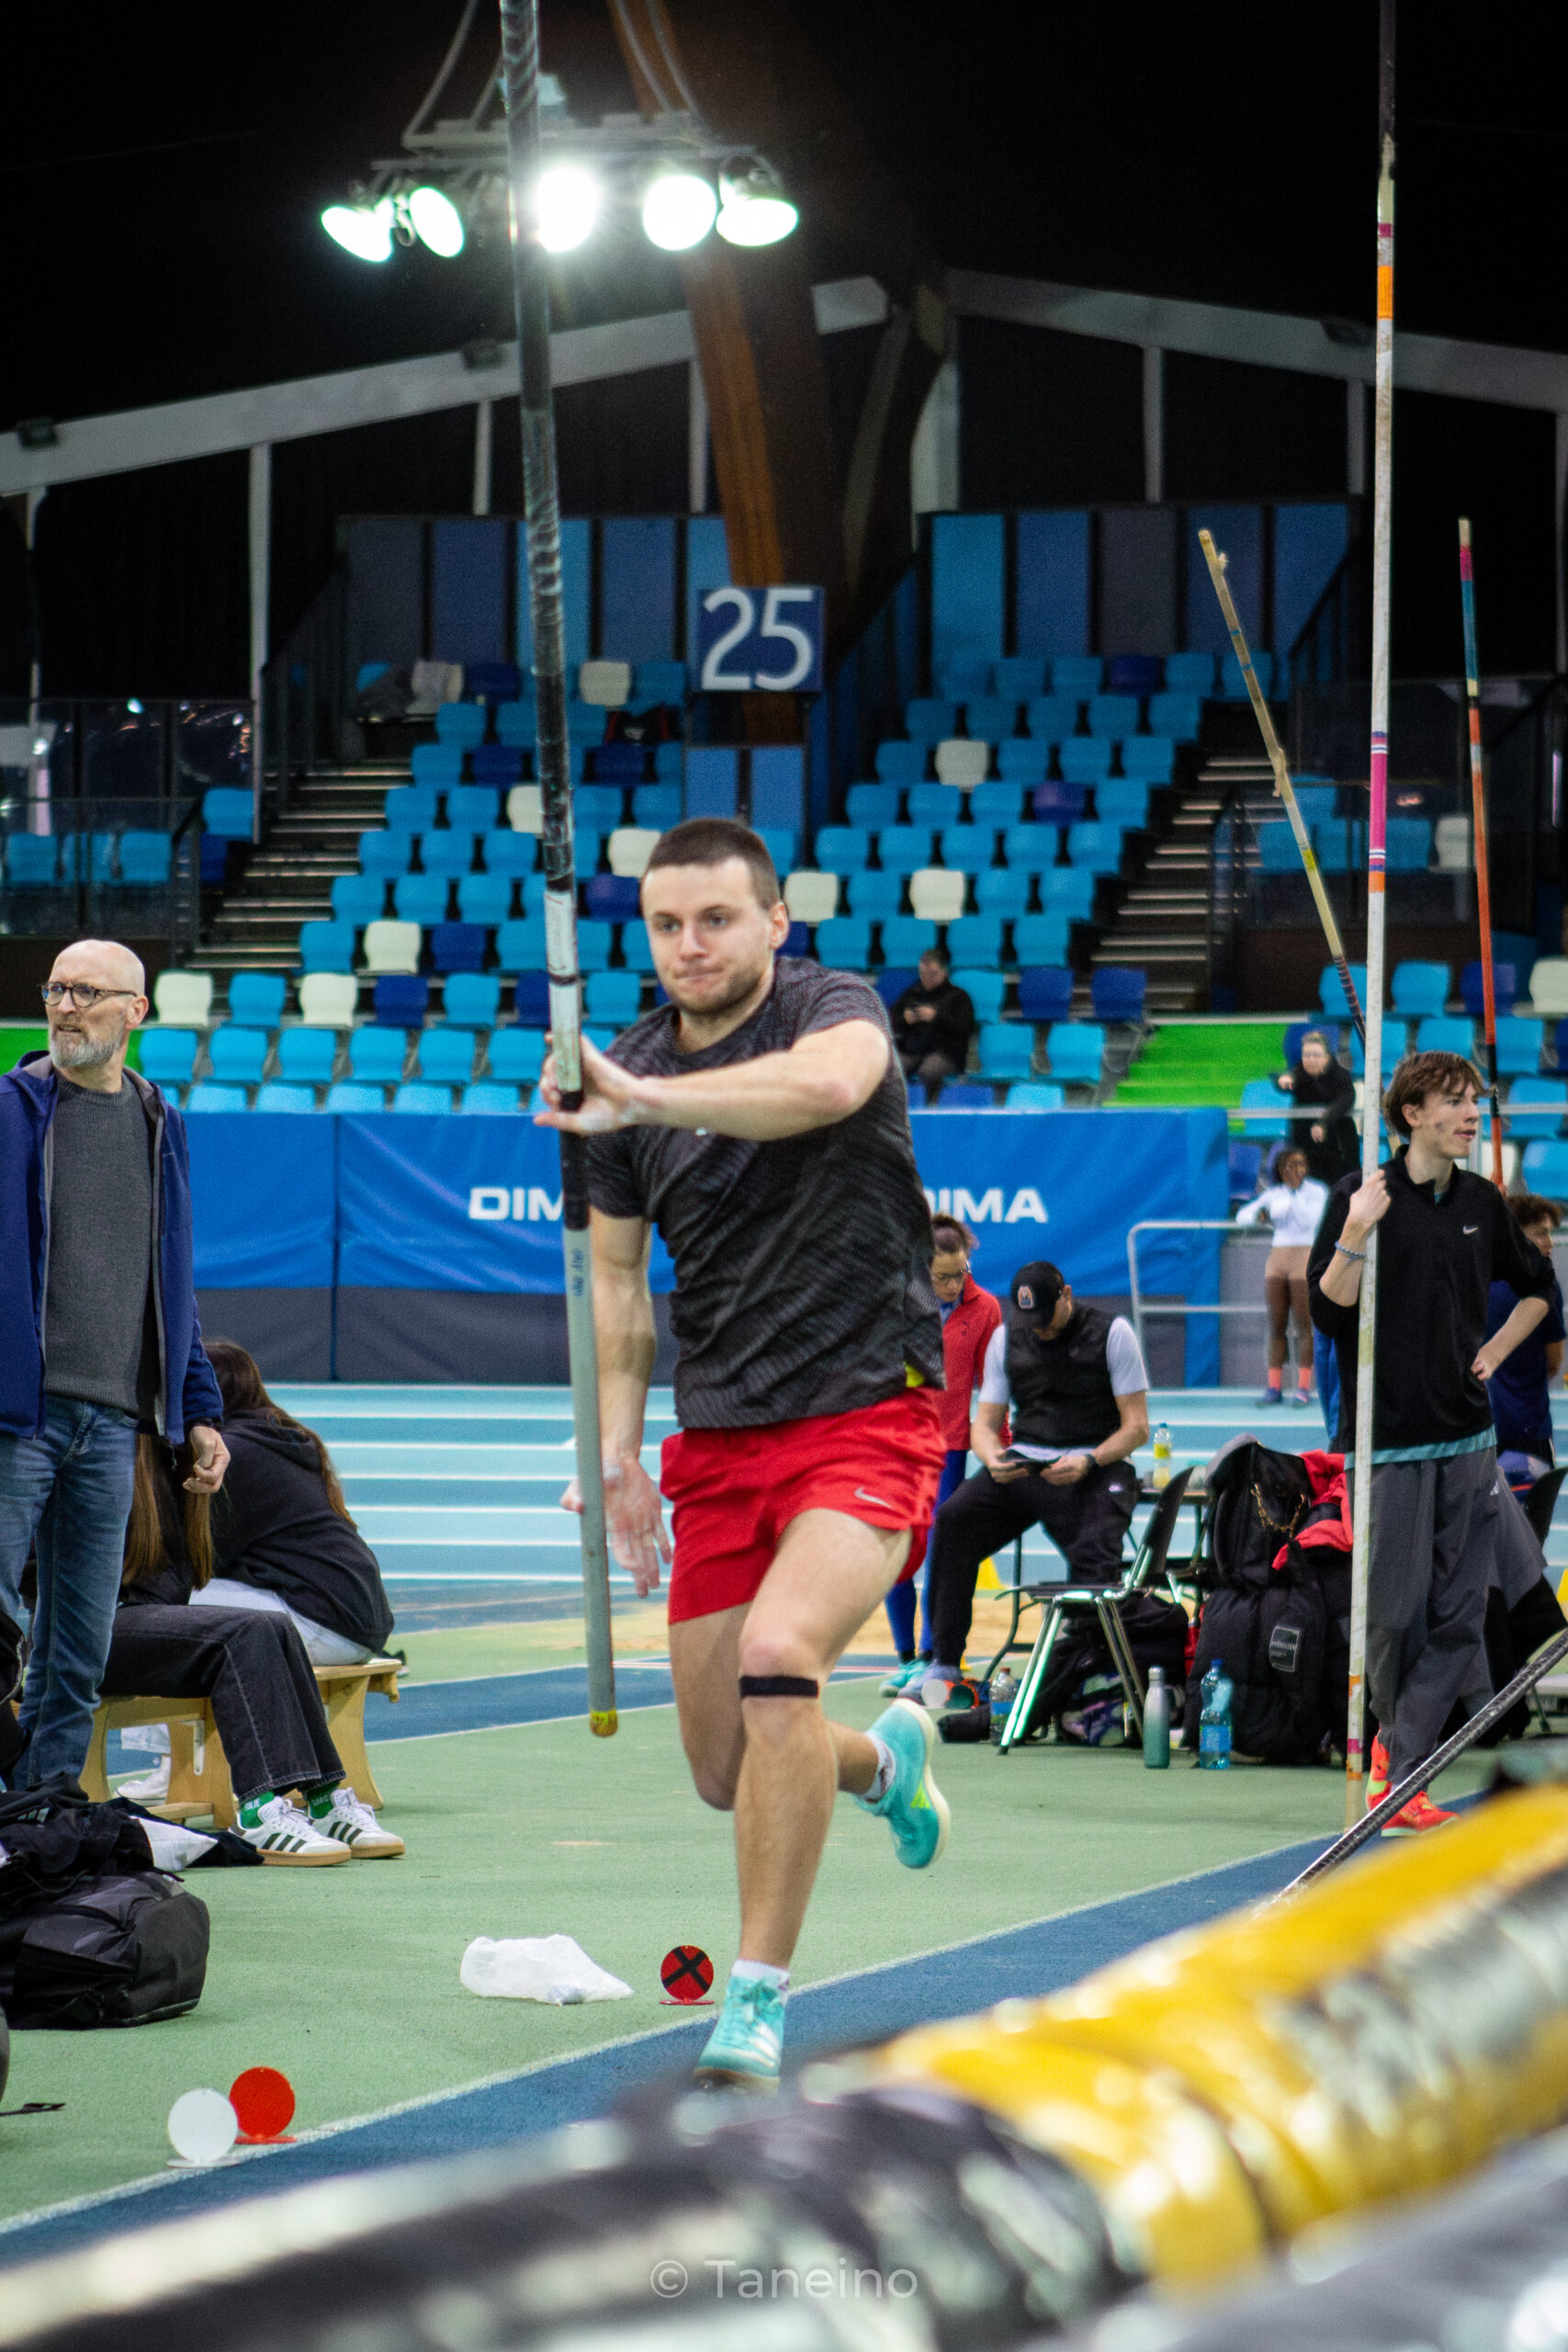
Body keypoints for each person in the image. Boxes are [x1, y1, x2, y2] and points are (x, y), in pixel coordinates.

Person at [536, 816, 950, 2093]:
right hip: (720, 1434)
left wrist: (640, 1098)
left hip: (867, 1409)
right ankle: (881, 1761)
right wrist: (616, 1451)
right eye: (666, 924)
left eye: (716, 918)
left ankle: (754, 1998)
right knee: (727, 1766)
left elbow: (821, 1091)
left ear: (775, 919)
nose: (690, 944)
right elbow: (617, 1285)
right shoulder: (621, 1076)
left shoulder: (834, 1008)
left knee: (780, 1662)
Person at [1308, 1050, 1556, 1835]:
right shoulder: (1360, 1195)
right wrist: (1356, 1230)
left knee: (1458, 1617)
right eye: (1453, 1101)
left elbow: (1539, 1290)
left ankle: (1401, 1765)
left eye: (1473, 1101)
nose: (1471, 1114)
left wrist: (1496, 1351)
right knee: (1389, 1618)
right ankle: (1401, 1754)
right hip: (1387, 1442)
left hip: (1468, 1438)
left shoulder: (1481, 1199)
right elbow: (1327, 1313)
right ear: (1410, 1114)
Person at [0, 941, 229, 1792]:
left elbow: (171, 1282)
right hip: (17, 1418)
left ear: (136, 1011)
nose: (65, 1007)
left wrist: (198, 1408)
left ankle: (43, 1812)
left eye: (86, 992)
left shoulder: (160, 1122)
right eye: (56, 989)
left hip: (110, 1429)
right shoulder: (10, 1111)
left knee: (78, 1653)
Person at [118, 1338, 396, 1802]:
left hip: (319, 1620)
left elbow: (191, 1559)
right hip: (356, 1622)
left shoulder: (235, 1455)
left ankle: (172, 1763)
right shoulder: (284, 1437)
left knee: (158, 1618)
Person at [106, 1438, 403, 1861]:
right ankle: (256, 1810)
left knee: (270, 1625)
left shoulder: (169, 1459)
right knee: (243, 1632)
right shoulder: (99, 1454)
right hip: (82, 1623)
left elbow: (177, 1566)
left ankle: (322, 1798)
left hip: (138, 1607)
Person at [920, 1260, 1150, 1711]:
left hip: (1095, 1463)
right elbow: (984, 1425)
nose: (1039, 1330)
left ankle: (1082, 1670)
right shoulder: (1007, 1337)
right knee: (953, 1520)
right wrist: (992, 1457)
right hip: (1026, 1463)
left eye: (1046, 1318)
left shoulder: (1113, 1333)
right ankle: (944, 1663)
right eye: (1031, 1322)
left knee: (1094, 1554)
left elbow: (1137, 1427)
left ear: (1067, 1295)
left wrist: (1090, 1459)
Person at [882, 1215, 1002, 1690]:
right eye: (942, 1277)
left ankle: (933, 1654)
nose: (954, 1284)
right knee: (895, 1550)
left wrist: (1002, 1446)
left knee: (940, 1550)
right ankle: (905, 1657)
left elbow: (993, 1386)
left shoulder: (985, 1308)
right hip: (896, 1443)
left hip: (949, 1447)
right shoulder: (895, 1304)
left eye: (961, 1273)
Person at [1235, 1148, 1329, 1408]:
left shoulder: (1316, 1191)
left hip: (1304, 1256)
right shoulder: (1274, 1194)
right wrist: (1259, 1216)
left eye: (1300, 1164)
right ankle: (1274, 1387)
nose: (1295, 1170)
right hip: (1278, 1258)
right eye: (1289, 1165)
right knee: (1276, 1324)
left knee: (1304, 1325)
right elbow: (1243, 1216)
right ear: (1280, 1169)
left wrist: (1294, 1195)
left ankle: (1303, 1387)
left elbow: (1310, 1220)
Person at [1483, 1193, 1564, 1489]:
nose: (1549, 1243)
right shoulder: (1546, 1287)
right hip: (1527, 1432)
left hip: (1481, 1431)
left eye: (1550, 1234)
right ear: (1514, 1236)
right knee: (1530, 1516)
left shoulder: (1476, 1279)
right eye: (1540, 1234)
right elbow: (1553, 1363)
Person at [1274, 1028, 1358, 1183]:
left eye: (1316, 1055)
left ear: (1327, 1057)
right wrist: (1282, 1080)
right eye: (1306, 1055)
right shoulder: (1299, 1072)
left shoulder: (1341, 1075)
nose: (1310, 1060)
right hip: (1305, 1145)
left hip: (1338, 1145)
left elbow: (1345, 1100)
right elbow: (1285, 1080)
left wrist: (1323, 1123)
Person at [888, 946, 976, 1093]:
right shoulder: (912, 993)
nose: (927, 978)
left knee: (929, 1071)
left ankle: (930, 1103)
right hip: (913, 1049)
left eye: (933, 974)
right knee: (893, 1069)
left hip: (945, 1052)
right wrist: (905, 1019)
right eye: (923, 974)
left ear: (944, 972)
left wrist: (936, 1017)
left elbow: (965, 1028)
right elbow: (891, 1018)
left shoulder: (958, 997)